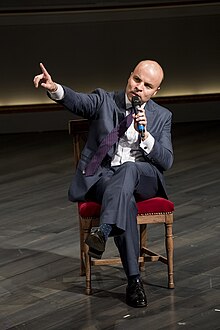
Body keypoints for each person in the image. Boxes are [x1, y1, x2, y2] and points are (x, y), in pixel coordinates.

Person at [33, 60, 174, 308]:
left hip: (144, 178)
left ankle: (105, 230)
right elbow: (77, 101)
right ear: (130, 76)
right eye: (137, 80)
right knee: (124, 200)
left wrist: (145, 136)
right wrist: (54, 88)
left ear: (155, 91)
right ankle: (134, 282)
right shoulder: (104, 101)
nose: (139, 88)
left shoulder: (162, 116)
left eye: (147, 85)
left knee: (130, 169)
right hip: (104, 178)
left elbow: (166, 160)